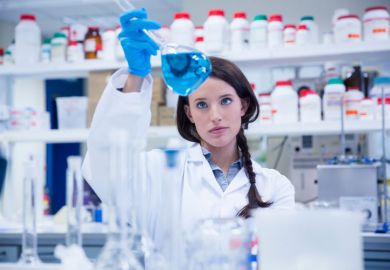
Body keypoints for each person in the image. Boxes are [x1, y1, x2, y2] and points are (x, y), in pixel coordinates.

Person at [82, 8, 294, 249]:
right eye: (202, 105)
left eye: (225, 101)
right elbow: (106, 168)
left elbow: (280, 256)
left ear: (243, 105)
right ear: (189, 113)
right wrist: (136, 75)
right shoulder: (159, 173)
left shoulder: (275, 187)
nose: (215, 116)